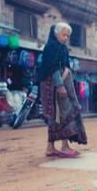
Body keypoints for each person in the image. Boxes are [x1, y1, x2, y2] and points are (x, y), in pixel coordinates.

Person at [38, 23, 87, 157]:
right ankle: (64, 147)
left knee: (58, 115)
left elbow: (64, 66)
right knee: (61, 114)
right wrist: (60, 85)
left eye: (68, 36)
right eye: (63, 34)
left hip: (60, 83)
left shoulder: (62, 48)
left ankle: (50, 147)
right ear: (56, 33)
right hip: (52, 85)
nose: (66, 38)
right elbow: (53, 67)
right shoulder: (51, 47)